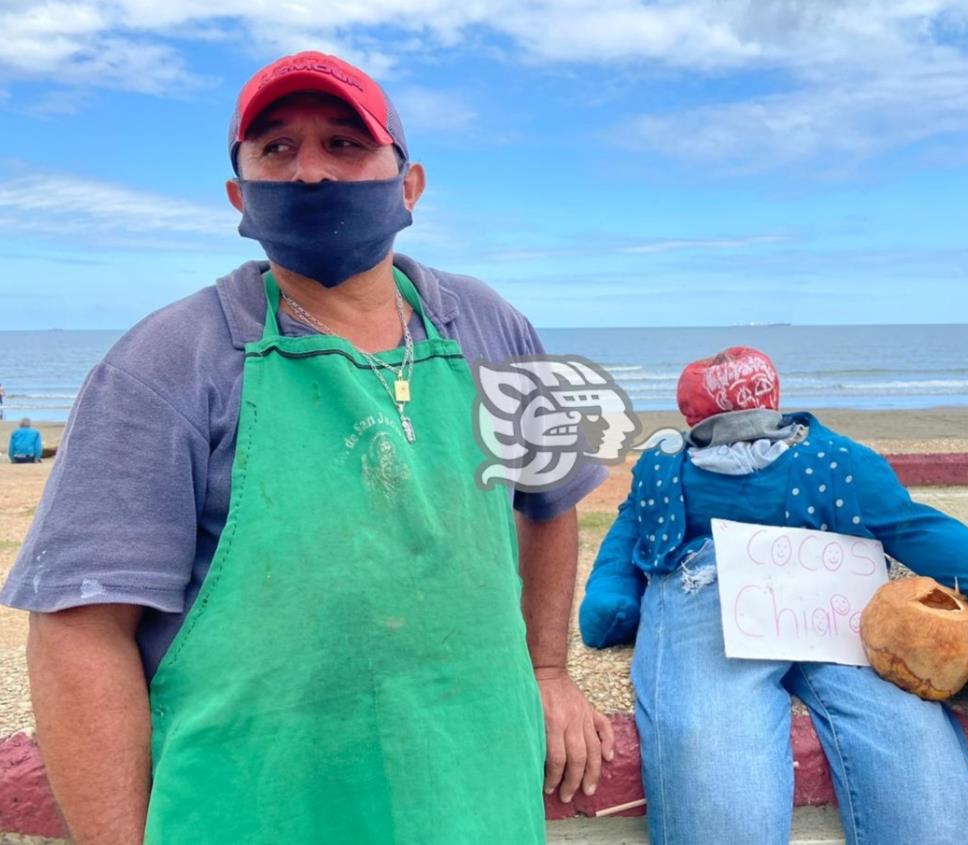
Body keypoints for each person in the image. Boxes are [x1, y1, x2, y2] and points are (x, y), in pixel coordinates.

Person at [1, 51, 613, 844]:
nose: (312, 174)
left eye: (345, 144)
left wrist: (548, 669)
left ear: (410, 183)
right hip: (253, 806)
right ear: (238, 196)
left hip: (475, 789)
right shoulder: (166, 363)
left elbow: (552, 497)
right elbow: (78, 630)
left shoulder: (490, 325)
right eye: (277, 150)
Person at [580, 346, 968, 845]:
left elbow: (628, 533)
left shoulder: (822, 465)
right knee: (716, 758)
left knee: (903, 755)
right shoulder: (830, 463)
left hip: (825, 593)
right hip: (780, 589)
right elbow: (629, 527)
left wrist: (610, 604)